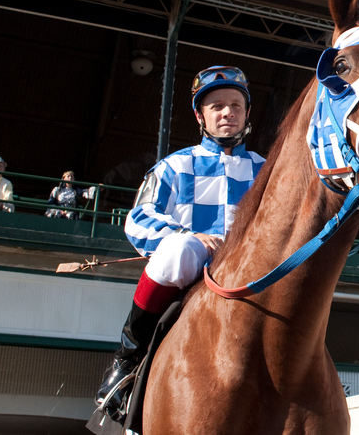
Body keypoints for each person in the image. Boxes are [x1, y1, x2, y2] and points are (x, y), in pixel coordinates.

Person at [95, 65, 266, 419]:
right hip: (190, 274)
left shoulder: (267, 170)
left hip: (253, 278)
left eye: (235, 105)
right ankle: (126, 359)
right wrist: (189, 237)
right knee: (178, 250)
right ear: (200, 115)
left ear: (247, 113)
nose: (227, 113)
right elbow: (138, 220)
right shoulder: (173, 166)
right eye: (217, 106)